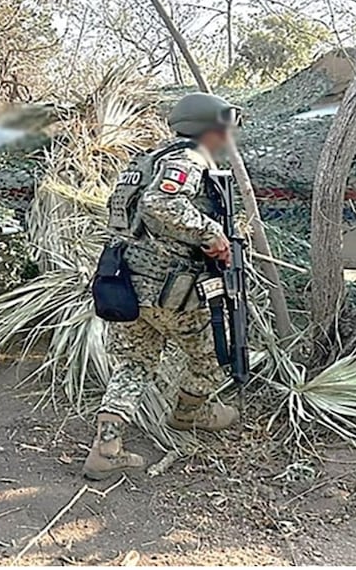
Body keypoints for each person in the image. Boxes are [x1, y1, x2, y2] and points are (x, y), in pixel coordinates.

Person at [83, 92, 242, 481]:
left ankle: (107, 446)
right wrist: (213, 236)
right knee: (212, 355)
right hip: (173, 290)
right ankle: (191, 414)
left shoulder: (144, 163)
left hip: (128, 287)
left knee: (136, 363)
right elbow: (162, 205)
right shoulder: (187, 160)